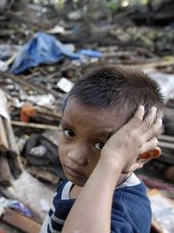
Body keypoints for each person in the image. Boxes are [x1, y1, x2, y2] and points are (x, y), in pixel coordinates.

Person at [40, 66, 164, 233]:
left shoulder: (127, 213)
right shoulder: (81, 175)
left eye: (102, 146)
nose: (74, 156)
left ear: (141, 156)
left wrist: (111, 160)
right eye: (70, 133)